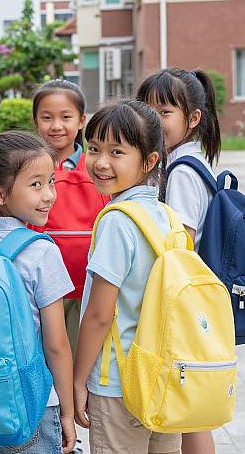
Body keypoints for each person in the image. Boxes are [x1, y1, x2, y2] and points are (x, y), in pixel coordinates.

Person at [0, 131, 77, 454]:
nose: (49, 195)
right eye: (36, 185)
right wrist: (67, 410)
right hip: (29, 403)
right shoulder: (41, 252)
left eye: (51, 181)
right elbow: (57, 344)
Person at [73, 100, 181, 454]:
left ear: (149, 161)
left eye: (117, 151)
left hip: (117, 381)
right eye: (94, 149)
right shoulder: (166, 216)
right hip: (161, 375)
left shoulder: (118, 221)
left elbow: (100, 314)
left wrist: (77, 378)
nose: (101, 162)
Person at [137, 67, 221, 454]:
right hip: (191, 302)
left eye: (164, 112)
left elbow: (179, 247)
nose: (154, 120)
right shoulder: (180, 162)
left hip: (183, 303)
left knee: (191, 414)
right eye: (147, 110)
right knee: (191, 409)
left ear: (192, 119)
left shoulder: (183, 171)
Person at [31, 79, 109, 356]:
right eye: (47, 117)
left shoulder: (97, 166)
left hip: (88, 284)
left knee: (82, 355)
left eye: (66, 117)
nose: (56, 126)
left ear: (81, 121)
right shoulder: (26, 166)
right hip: (41, 284)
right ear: (35, 121)